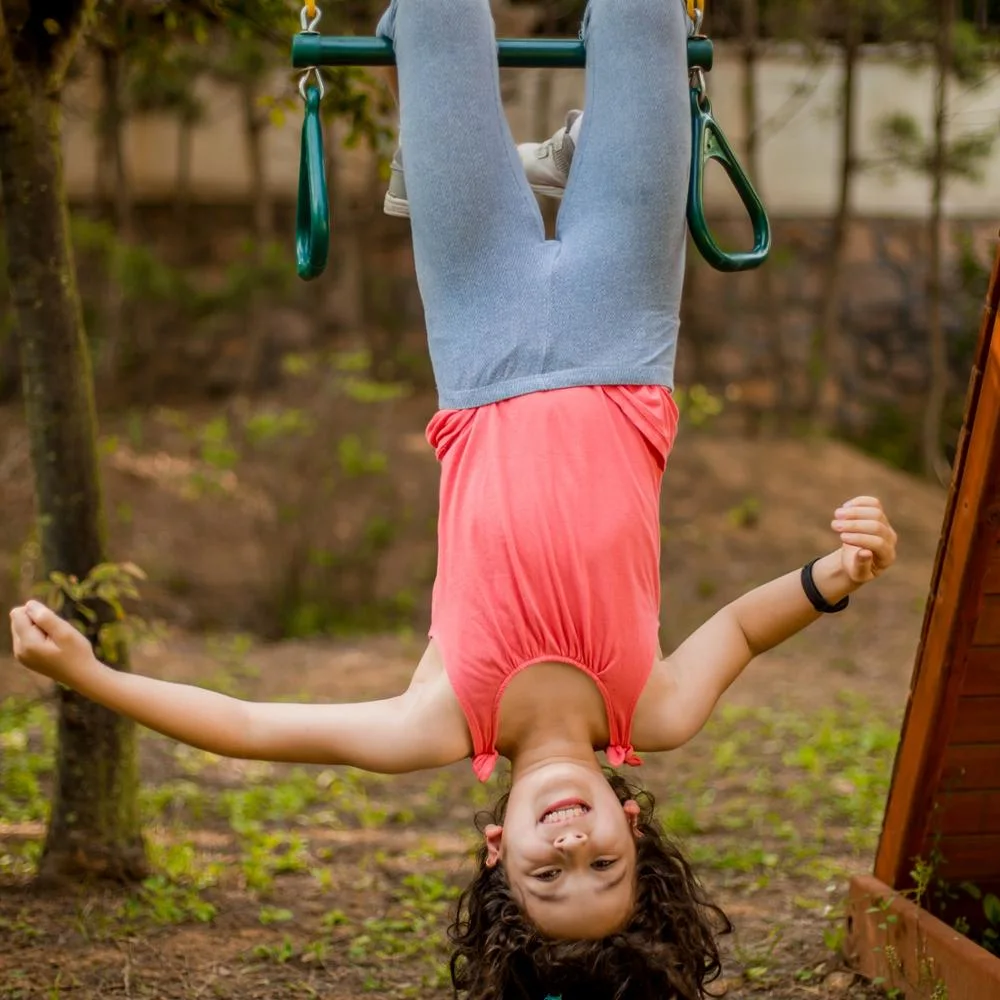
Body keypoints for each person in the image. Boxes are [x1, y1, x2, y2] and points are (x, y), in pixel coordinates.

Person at [7, 0, 900, 996]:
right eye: (601, 864)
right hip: (622, 336)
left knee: (438, 15)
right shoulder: (653, 705)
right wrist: (836, 572)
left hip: (479, 345)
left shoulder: (438, 719)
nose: (571, 842)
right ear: (634, 828)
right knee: (644, 16)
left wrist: (91, 675)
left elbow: (254, 727)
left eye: (545, 871)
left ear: (495, 846)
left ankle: (524, 158)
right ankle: (569, 154)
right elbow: (739, 627)